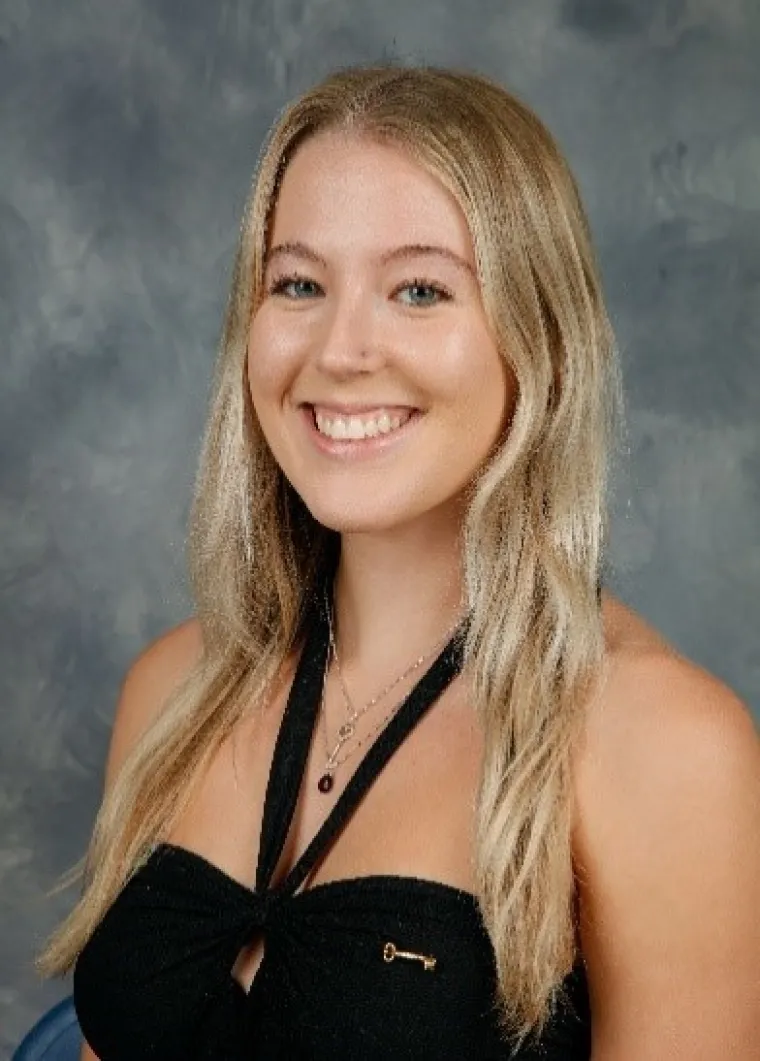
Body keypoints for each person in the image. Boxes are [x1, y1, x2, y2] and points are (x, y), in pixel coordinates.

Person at [36, 62, 760, 1060]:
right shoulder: (173, 689)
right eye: (298, 283)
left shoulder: (660, 741)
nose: (340, 348)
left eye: (420, 289)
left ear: (535, 338)